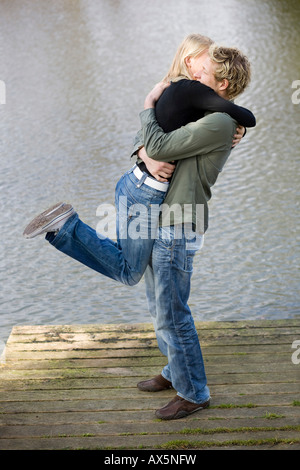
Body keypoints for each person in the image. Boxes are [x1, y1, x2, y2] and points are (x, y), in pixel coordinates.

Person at [23, 34, 255, 291]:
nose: (206, 66)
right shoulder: (187, 90)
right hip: (145, 189)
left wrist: (238, 127)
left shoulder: (187, 95)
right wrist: (146, 152)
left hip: (140, 185)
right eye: (205, 59)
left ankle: (65, 227)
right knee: (130, 271)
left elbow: (196, 121)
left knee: (128, 264)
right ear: (190, 61)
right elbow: (150, 135)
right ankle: (66, 226)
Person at [134, 43, 254, 420]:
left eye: (203, 74)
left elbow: (158, 143)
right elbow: (151, 147)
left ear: (222, 82)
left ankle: (194, 393)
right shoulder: (208, 115)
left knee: (174, 313)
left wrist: (147, 107)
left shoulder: (217, 123)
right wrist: (142, 150)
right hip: (165, 219)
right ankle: (175, 371)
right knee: (160, 308)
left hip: (178, 225)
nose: (194, 79)